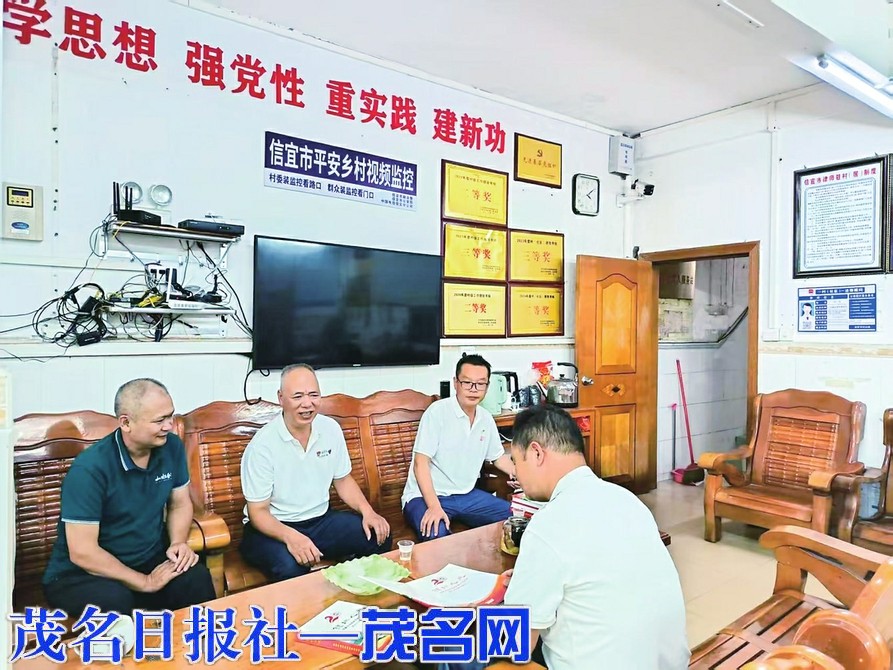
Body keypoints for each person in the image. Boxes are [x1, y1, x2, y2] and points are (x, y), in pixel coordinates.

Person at [502, 404, 689, 669]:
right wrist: (527, 583)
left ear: (536, 453)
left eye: (515, 461)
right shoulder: (628, 500)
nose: (516, 473)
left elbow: (515, 647)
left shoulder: (547, 525)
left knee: (466, 653)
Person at [42, 379, 216, 617]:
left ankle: (200, 641)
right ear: (126, 423)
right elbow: (83, 552)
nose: (169, 426)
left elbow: (180, 503)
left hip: (147, 559)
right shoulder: (90, 469)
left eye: (170, 416)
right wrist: (144, 582)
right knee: (116, 601)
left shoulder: (171, 447)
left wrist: (177, 542)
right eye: (159, 420)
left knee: (195, 578)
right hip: (81, 574)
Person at [240, 363, 391, 582]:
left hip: (320, 521)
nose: (307, 403)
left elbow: (343, 480)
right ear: (281, 398)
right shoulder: (262, 446)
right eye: (298, 396)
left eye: (313, 395)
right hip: (273, 527)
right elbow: (258, 512)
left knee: (379, 535)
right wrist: (292, 537)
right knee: (291, 566)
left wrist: (369, 512)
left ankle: (354, 593)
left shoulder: (330, 429)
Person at [402, 354, 515, 541]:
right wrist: (434, 507)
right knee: (436, 535)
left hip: (466, 495)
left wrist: (520, 475)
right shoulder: (437, 412)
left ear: (487, 387)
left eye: (480, 384)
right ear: (456, 383)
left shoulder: (485, 418)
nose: (473, 389)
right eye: (467, 383)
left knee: (516, 518)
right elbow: (420, 464)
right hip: (424, 496)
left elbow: (498, 457)